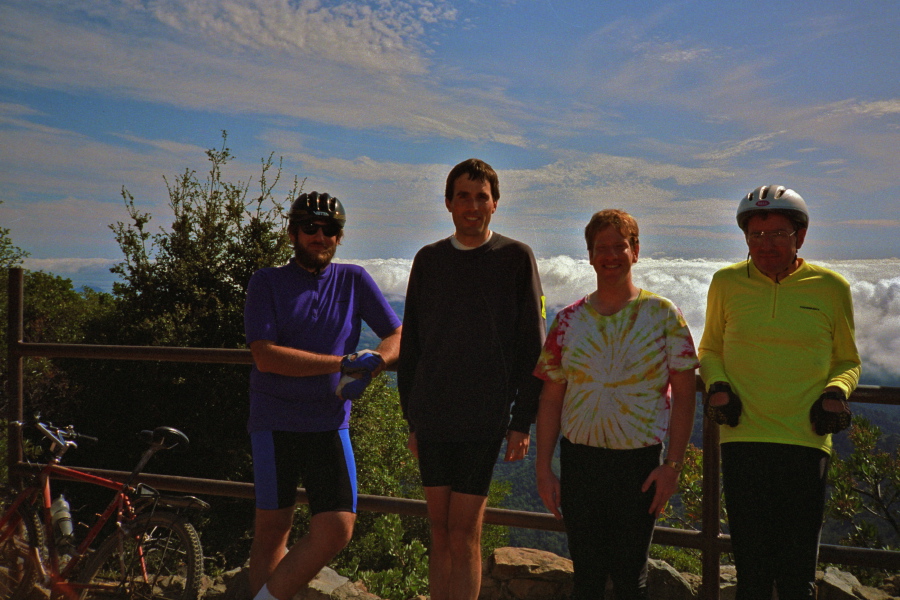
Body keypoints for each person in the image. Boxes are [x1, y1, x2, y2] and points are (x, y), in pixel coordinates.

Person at [698, 185, 861, 600]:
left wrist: (836, 390)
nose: (765, 244)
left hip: (805, 439)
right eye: (755, 235)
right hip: (742, 436)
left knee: (796, 572)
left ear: (800, 237)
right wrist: (718, 385)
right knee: (750, 569)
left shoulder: (830, 287)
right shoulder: (726, 282)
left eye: (778, 234)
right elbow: (711, 347)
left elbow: (848, 360)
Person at [397, 158, 546, 600]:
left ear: (495, 204)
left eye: (482, 197)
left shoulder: (516, 258)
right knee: (439, 532)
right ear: (448, 202)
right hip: (435, 418)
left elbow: (532, 347)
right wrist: (413, 421)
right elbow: (412, 347)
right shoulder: (429, 261)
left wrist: (522, 421)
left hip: (484, 418)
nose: (473, 205)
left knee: (464, 534)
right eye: (464, 196)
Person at [244, 191, 402, 600]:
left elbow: (397, 333)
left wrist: (377, 361)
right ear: (293, 233)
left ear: (339, 236)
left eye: (329, 229)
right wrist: (342, 363)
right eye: (310, 228)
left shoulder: (354, 278)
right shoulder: (266, 282)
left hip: (329, 421)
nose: (319, 236)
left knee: (336, 528)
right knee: (272, 532)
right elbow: (265, 356)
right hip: (273, 422)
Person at [534, 209, 698, 600]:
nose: (610, 255)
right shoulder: (568, 320)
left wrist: (672, 465)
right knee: (586, 576)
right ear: (589, 256)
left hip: (639, 463)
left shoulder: (664, 315)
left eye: (619, 246)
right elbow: (552, 397)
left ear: (635, 251)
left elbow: (687, 395)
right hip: (580, 461)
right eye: (600, 248)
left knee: (630, 577)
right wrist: (544, 468)